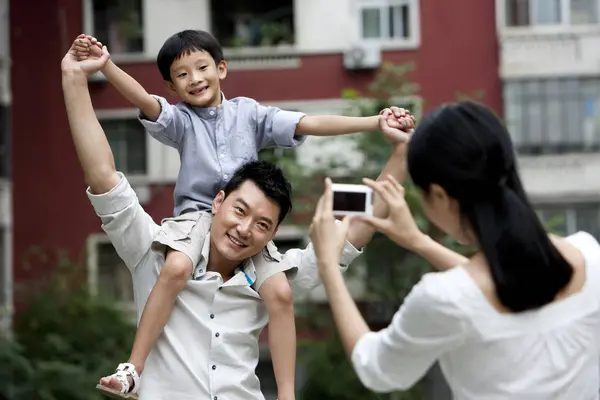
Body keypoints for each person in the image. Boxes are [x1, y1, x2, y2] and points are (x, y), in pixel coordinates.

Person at [60, 39, 415, 399]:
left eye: (263, 224)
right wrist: (77, 77)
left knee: (280, 294)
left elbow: (359, 225)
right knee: (177, 267)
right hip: (186, 232)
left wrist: (398, 148)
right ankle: (132, 369)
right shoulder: (155, 251)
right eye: (240, 211)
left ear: (275, 233)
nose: (245, 229)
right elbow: (104, 175)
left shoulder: (274, 277)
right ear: (219, 201)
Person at [309, 101, 600, 399]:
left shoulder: (443, 299)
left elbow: (377, 369)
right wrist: (417, 240)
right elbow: (493, 286)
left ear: (439, 194)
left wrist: (328, 265)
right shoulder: (588, 255)